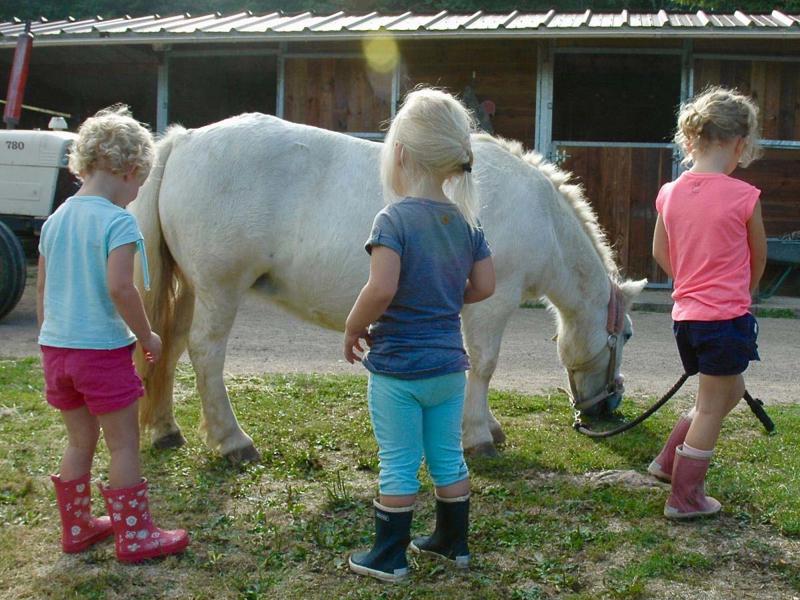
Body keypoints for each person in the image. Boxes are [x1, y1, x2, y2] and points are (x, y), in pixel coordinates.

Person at [343, 88, 496, 582]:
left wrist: (354, 323)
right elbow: (485, 286)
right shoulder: (466, 222)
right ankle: (454, 542)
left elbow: (381, 287)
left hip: (398, 371)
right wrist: (447, 299)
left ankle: (390, 555)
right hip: (450, 369)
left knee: (399, 462)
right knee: (447, 456)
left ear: (402, 153)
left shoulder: (394, 219)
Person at [38, 105, 189, 561]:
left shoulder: (56, 218)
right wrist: (148, 336)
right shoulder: (117, 221)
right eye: (140, 184)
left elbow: (43, 289)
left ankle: (78, 527)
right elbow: (121, 286)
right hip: (101, 353)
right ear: (129, 171)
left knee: (78, 441)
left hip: (57, 350)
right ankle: (135, 536)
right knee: (124, 443)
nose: (137, 194)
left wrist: (52, 336)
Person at [649, 86, 767, 519]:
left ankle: (666, 462)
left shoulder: (670, 192)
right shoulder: (743, 196)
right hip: (726, 317)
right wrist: (743, 293)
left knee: (725, 392)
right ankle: (685, 498)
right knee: (714, 406)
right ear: (740, 143)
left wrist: (690, 279)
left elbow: (661, 252)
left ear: (692, 139)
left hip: (687, 318)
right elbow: (758, 256)